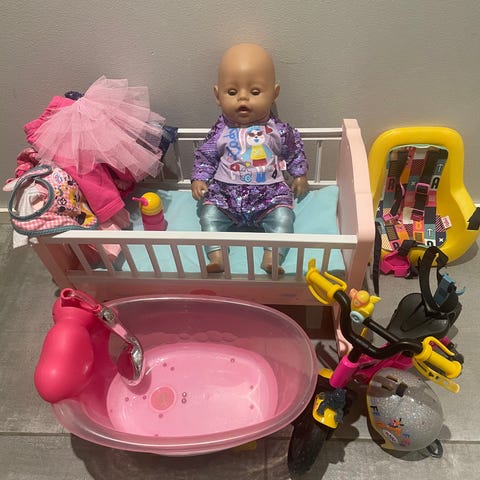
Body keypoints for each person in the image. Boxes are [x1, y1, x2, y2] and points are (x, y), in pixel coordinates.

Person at [191, 43, 308, 274]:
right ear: (217, 95)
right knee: (209, 215)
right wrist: (199, 178)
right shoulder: (219, 132)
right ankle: (217, 255)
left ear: (274, 93)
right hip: (225, 197)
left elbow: (294, 150)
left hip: (270, 196)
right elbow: (206, 155)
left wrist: (299, 174)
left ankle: (272, 257)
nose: (243, 98)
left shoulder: (278, 131)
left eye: (255, 92)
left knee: (284, 217)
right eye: (232, 92)